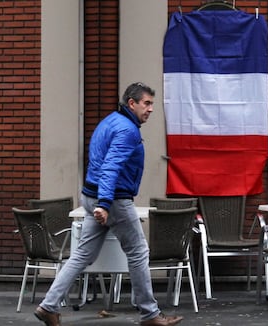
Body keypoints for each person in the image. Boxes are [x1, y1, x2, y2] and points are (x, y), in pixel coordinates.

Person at [34, 82, 183, 326]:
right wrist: (105, 203)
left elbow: (98, 161)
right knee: (138, 251)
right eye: (147, 103)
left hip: (92, 195)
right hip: (112, 199)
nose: (151, 109)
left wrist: (98, 201)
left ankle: (48, 306)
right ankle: (150, 315)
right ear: (132, 103)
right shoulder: (128, 130)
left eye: (152, 104)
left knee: (82, 254)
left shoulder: (110, 121)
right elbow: (110, 167)